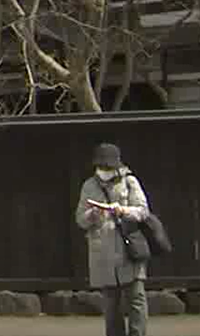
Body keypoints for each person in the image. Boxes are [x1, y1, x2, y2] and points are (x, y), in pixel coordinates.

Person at [78, 142, 150, 336]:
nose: (104, 170)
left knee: (136, 299)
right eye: (101, 166)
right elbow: (80, 219)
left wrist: (123, 210)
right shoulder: (89, 185)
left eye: (108, 166)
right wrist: (91, 215)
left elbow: (143, 211)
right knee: (111, 305)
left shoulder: (129, 182)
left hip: (128, 249)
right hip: (102, 254)